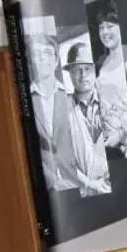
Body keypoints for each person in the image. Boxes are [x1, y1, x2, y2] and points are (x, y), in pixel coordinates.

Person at [63, 43, 118, 195]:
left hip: (116, 185)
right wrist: (90, 184)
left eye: (87, 69)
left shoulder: (111, 99)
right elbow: (62, 159)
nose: (83, 75)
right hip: (85, 192)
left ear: (95, 71)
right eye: (77, 70)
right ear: (70, 73)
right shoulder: (63, 108)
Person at [27, 32, 78, 191]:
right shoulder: (25, 101)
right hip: (42, 186)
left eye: (48, 53)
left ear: (56, 61)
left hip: (75, 181)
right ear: (31, 61)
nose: (42, 58)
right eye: (37, 54)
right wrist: (53, 180)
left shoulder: (70, 97)